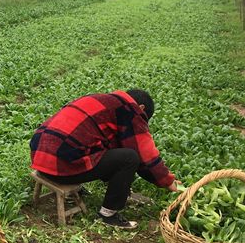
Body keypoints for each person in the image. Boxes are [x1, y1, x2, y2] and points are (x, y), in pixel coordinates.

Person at [30, 89, 179, 229]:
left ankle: (123, 192)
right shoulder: (130, 109)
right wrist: (167, 181)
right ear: (141, 107)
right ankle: (108, 215)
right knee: (130, 158)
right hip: (61, 168)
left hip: (40, 159)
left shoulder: (101, 99)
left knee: (114, 147)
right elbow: (145, 154)